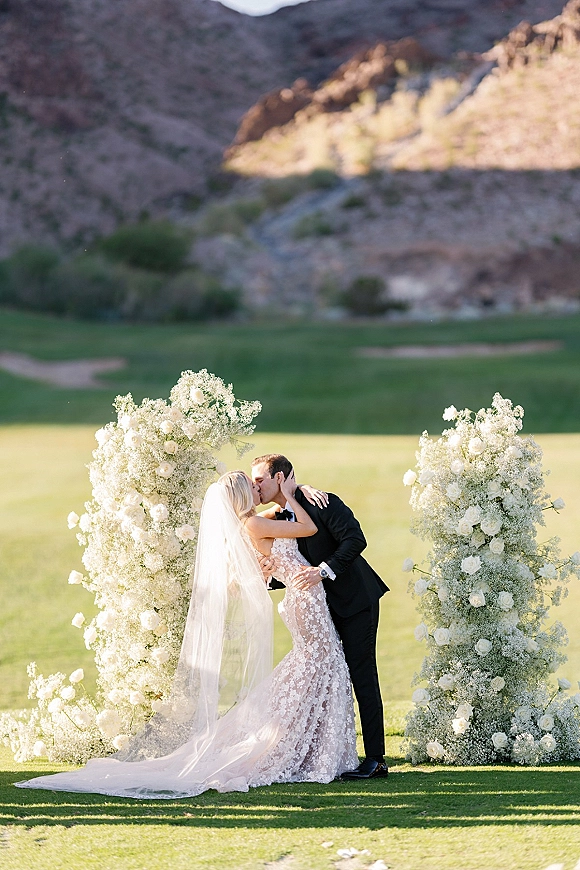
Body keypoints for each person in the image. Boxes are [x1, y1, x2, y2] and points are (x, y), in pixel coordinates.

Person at [15, 470, 358, 798]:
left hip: (303, 598)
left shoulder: (250, 522)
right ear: (241, 495)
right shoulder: (253, 522)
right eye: (251, 486)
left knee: (318, 665)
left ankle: (309, 744)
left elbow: (269, 537)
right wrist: (291, 494)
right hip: (304, 598)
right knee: (319, 663)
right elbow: (308, 527)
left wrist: (297, 493)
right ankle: (305, 745)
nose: (258, 489)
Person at [251, 454, 389, 780]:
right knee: (326, 677)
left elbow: (356, 540)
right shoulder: (274, 516)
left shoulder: (323, 502)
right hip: (318, 612)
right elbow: (290, 563)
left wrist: (322, 572)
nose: (256, 487)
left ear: (280, 477)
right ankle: (322, 751)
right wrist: (269, 576)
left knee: (361, 675)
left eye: (260, 480)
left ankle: (376, 759)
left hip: (355, 602)